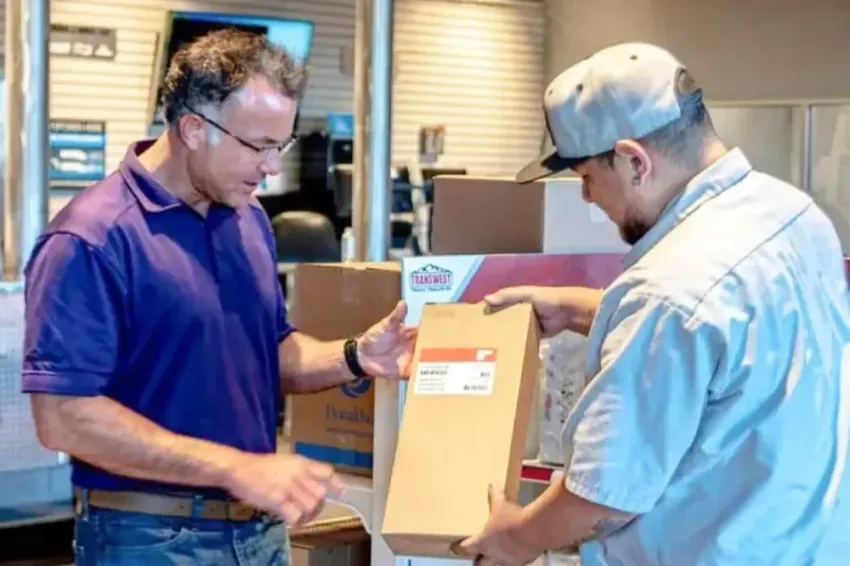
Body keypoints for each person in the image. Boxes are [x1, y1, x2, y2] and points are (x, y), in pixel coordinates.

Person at [21, 29, 416, 565]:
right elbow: (64, 417)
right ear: (192, 128)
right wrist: (236, 466)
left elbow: (267, 352)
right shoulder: (90, 239)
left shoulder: (248, 218)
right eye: (258, 146)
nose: (274, 167)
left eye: (283, 145)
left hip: (259, 533)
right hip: (149, 539)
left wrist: (354, 356)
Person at [459, 42, 850, 566]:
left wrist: (516, 538)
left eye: (586, 178)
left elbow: (601, 497)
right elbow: (729, 348)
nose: (587, 199)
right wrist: (580, 310)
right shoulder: (794, 214)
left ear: (634, 161)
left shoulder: (667, 289)